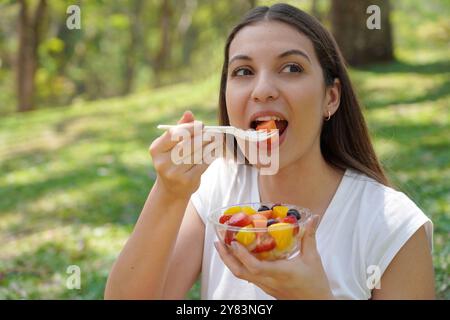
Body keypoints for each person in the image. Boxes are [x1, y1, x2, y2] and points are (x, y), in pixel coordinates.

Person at [104, 3, 434, 300]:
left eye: (291, 68)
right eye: (243, 72)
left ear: (330, 98)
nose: (262, 90)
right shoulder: (216, 188)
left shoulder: (392, 225)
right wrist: (169, 193)